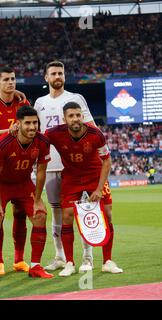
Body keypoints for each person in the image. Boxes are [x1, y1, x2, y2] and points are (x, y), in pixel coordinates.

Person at [34, 60, 113, 273]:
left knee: (85, 210)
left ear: (64, 76)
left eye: (60, 73)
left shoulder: (75, 99)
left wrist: (97, 150)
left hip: (79, 167)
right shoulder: (39, 102)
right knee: (58, 212)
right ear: (46, 78)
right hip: (52, 165)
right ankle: (60, 257)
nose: (57, 76)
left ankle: (87, 257)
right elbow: (38, 134)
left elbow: (91, 127)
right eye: (53, 73)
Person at [45, 102, 123, 276]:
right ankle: (70, 263)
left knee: (107, 214)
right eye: (71, 116)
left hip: (94, 175)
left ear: (82, 116)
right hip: (72, 178)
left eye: (78, 115)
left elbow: (107, 161)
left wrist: (99, 188)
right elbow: (37, 140)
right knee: (66, 216)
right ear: (64, 118)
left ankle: (107, 261)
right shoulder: (54, 133)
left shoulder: (96, 134)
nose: (76, 119)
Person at [0, 106, 54, 282]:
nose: (32, 127)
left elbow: (41, 171)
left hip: (23, 184)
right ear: (18, 124)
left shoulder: (43, 141)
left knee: (40, 215)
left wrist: (38, 200)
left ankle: (36, 266)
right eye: (28, 123)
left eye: (35, 123)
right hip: (0, 185)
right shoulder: (3, 143)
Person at [0, 66, 31, 275]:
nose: (11, 82)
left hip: (22, 170)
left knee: (21, 214)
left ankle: (19, 260)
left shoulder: (23, 103)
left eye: (13, 79)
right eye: (6, 79)